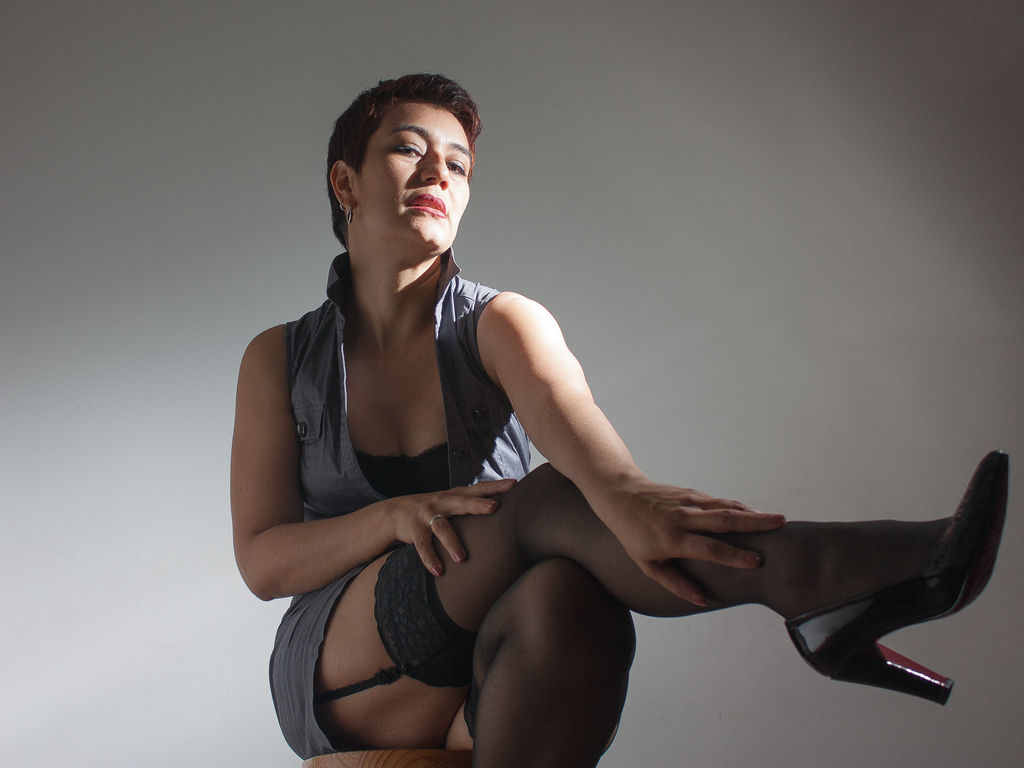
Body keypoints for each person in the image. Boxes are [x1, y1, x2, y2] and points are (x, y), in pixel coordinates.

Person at [230, 74, 1008, 767]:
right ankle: (815, 577)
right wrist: (393, 518)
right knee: (535, 501)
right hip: (345, 677)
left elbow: (576, 429)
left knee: (570, 589)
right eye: (410, 150)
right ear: (346, 181)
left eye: (459, 165)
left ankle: (817, 589)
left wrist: (629, 498)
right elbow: (263, 561)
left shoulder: (501, 324)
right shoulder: (280, 358)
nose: (440, 173)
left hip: (495, 667)